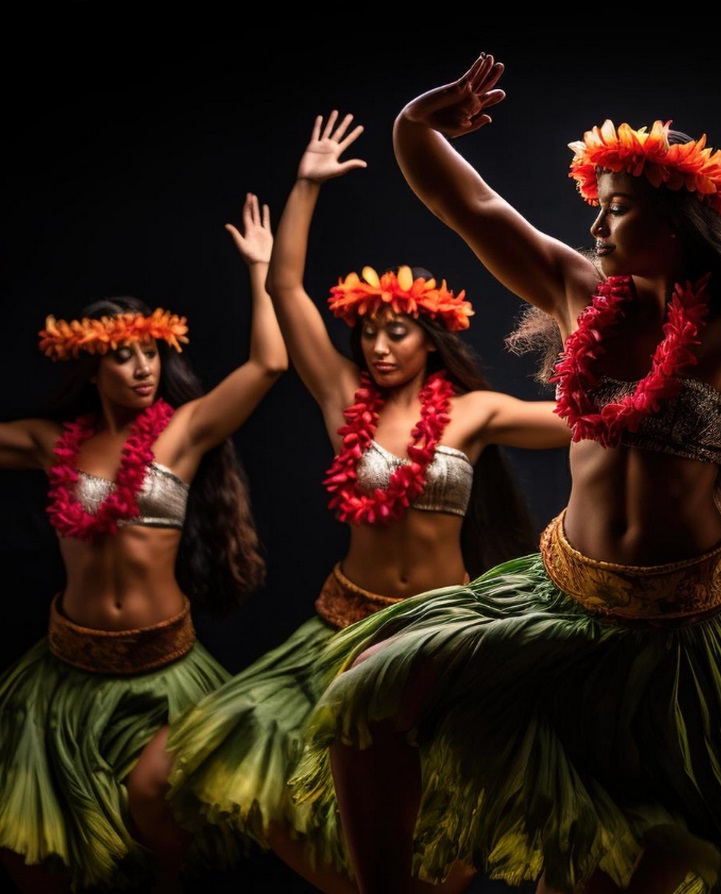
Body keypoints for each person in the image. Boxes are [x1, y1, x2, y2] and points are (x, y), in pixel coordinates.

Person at [290, 52, 721, 894]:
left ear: (674, 223)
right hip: (560, 600)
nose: (596, 228)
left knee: (625, 870)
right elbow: (466, 202)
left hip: (683, 635)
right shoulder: (573, 289)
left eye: (615, 211)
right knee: (371, 698)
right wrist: (415, 125)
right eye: (595, 211)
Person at [153, 110, 571, 894]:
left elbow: (578, 418)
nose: (379, 347)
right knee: (283, 794)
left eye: (398, 333)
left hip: (443, 629)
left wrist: (584, 318)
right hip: (342, 624)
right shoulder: (341, 395)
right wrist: (306, 187)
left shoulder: (473, 414)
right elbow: (286, 288)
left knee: (444, 809)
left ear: (430, 339)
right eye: (370, 333)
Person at [0, 192, 288, 893]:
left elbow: (269, 366)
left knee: (160, 820)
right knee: (39, 858)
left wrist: (260, 271)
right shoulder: (51, 444)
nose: (140, 368)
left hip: (164, 672)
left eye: (149, 352)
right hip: (64, 673)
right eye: (121, 358)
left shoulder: (182, 434)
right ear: (92, 369)